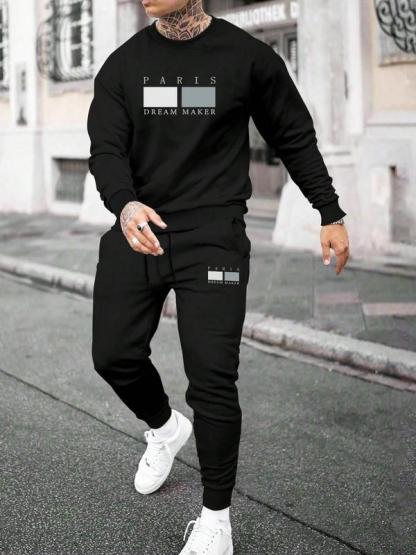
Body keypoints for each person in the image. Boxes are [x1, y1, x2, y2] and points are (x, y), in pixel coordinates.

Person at [87, 1, 350, 553]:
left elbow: (292, 135)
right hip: (141, 227)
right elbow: (106, 148)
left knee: (211, 378)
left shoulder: (246, 58)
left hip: (214, 237)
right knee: (113, 354)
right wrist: (124, 204)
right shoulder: (122, 66)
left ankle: (215, 519)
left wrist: (329, 211)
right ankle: (165, 429)